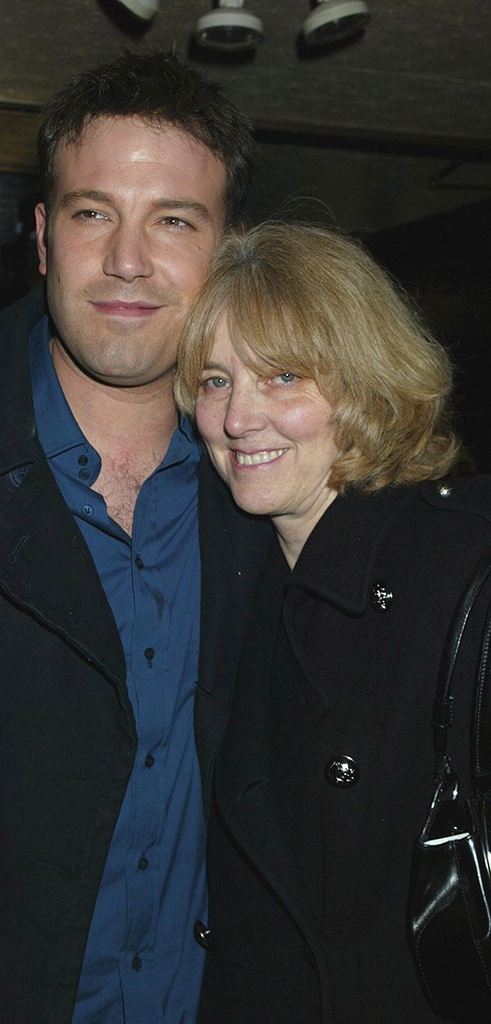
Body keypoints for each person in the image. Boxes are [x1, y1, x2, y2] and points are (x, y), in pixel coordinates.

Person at [0, 51, 275, 1022]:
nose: (127, 259)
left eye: (173, 220)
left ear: (227, 252)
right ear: (44, 237)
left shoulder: (274, 484)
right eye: (93, 213)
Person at [174, 220, 491, 1023]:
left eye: (282, 377)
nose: (238, 418)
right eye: (215, 381)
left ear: (364, 383)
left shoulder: (463, 572)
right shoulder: (232, 579)